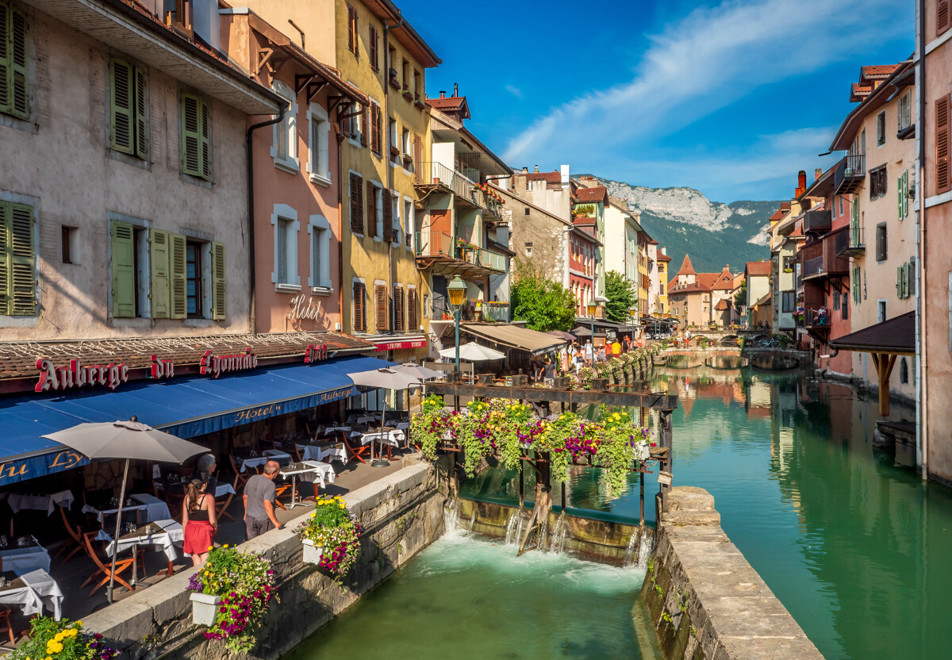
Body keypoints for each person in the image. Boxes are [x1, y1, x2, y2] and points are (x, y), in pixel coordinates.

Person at [243, 460, 284, 540]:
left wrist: (246, 512)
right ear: (273, 473)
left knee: (252, 542)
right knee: (265, 541)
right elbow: (267, 504)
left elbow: (245, 496)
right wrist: (275, 522)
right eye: (278, 472)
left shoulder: (252, 478)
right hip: (263, 519)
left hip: (250, 517)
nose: (277, 474)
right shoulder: (270, 485)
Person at [182, 477, 217, 566]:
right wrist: (215, 529)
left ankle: (196, 579)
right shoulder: (208, 497)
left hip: (190, 530)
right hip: (203, 531)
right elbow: (212, 521)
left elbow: (184, 521)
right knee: (205, 561)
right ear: (203, 485)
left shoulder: (186, 498)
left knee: (196, 562)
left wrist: (185, 536)